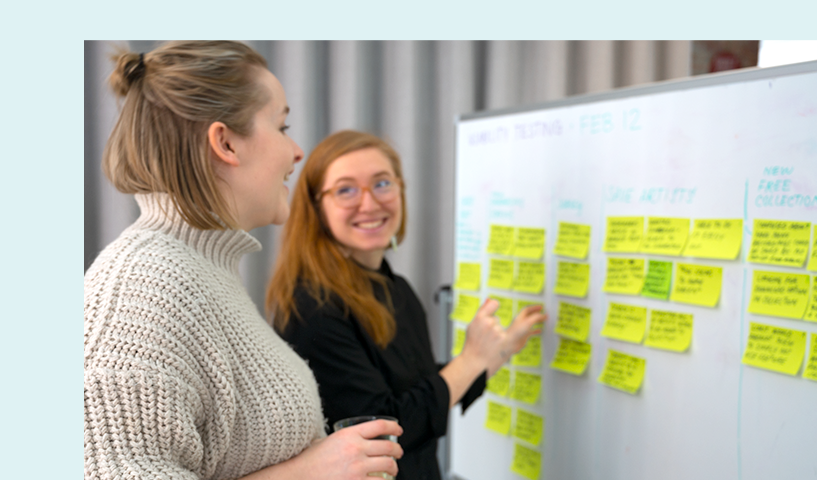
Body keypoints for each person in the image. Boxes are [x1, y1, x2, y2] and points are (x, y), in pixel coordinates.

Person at [84, 42, 404, 480]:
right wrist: (307, 473)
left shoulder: (204, 271)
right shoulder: (142, 286)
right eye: (282, 125)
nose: (296, 152)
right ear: (226, 142)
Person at [266, 130, 547, 480]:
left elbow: (420, 384)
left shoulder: (396, 288)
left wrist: (498, 351)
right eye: (346, 190)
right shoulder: (311, 308)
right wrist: (473, 358)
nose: (369, 204)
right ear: (317, 208)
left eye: (382, 183)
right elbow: (385, 429)